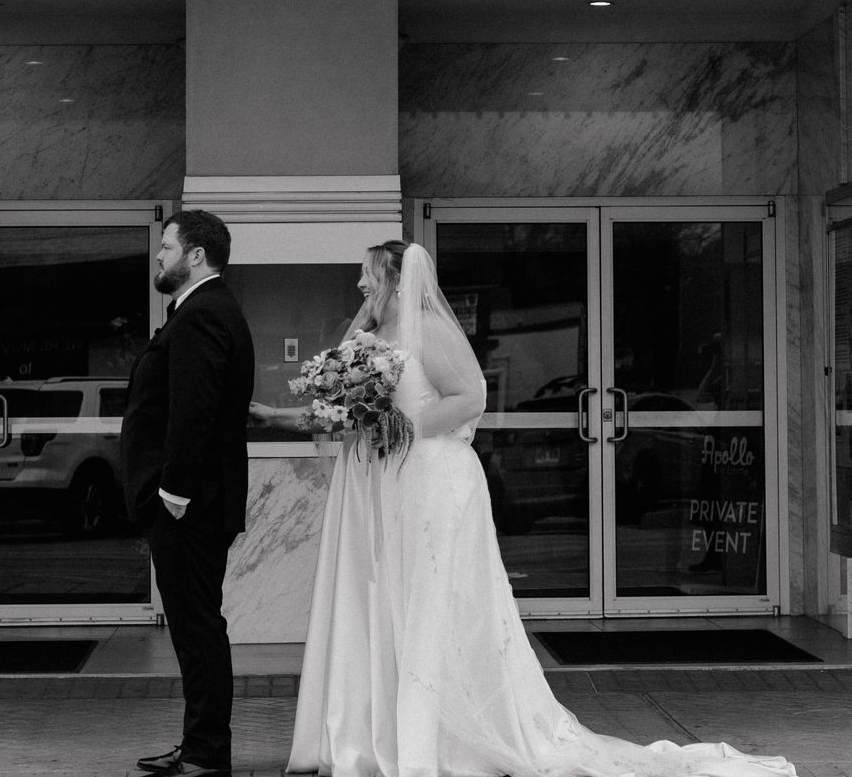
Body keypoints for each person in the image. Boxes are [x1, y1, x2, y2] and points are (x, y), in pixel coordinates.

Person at [251, 241, 796, 777]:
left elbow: (470, 397)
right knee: (388, 598)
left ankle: (433, 734)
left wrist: (405, 430)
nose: (360, 283)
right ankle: (380, 732)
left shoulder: (430, 331)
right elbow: (341, 403)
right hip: (382, 485)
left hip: (429, 480)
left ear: (395, 280)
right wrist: (280, 412)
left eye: (368, 275)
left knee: (433, 601)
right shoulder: (370, 337)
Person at [121, 209, 256, 777]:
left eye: (167, 245)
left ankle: (206, 753)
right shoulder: (204, 310)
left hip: (190, 501)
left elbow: (193, 414)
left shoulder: (203, 315)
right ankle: (199, 746)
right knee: (195, 625)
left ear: (195, 255)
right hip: (195, 499)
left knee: (198, 626)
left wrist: (171, 494)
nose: (158, 255)